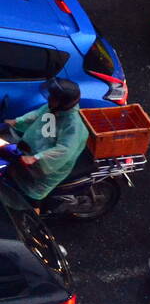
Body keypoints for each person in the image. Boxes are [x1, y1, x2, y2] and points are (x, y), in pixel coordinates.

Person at [0, 78, 89, 211]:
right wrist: (16, 121)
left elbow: (64, 150)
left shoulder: (73, 126)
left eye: (54, 97)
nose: (50, 99)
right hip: (28, 151)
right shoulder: (52, 109)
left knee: (31, 197)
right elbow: (36, 115)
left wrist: (36, 158)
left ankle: (32, 225)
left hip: (47, 168)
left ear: (63, 102)